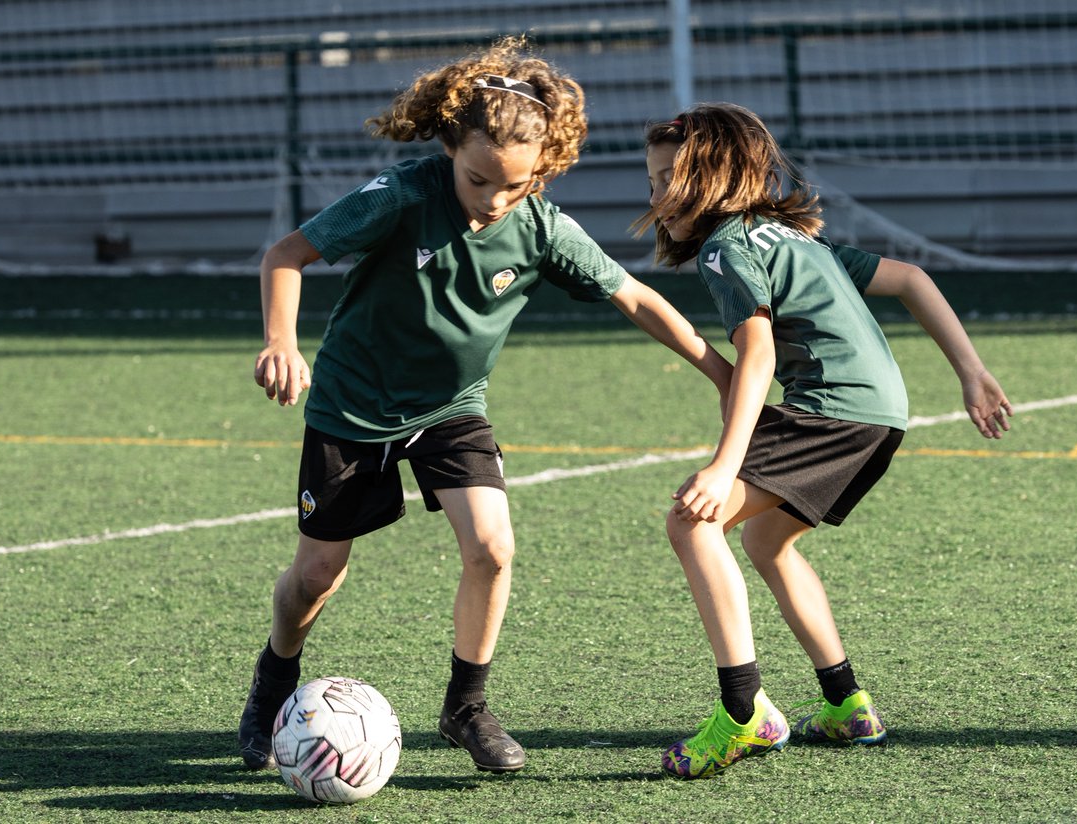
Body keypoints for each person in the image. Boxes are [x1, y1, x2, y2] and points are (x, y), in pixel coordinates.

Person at [238, 39, 731, 775]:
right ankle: (274, 679)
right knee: (317, 576)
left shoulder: (539, 224)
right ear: (448, 147)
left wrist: (720, 372)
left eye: (516, 186)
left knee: (493, 547)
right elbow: (286, 254)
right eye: (478, 181)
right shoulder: (403, 196)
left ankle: (465, 707)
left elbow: (634, 296)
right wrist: (282, 341)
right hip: (352, 405)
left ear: (542, 173)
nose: (494, 201)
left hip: (450, 408)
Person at [637, 103, 1013, 779]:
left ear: (715, 174)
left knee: (693, 521)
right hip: (881, 415)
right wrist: (971, 371)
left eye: (669, 175)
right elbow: (913, 279)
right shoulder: (794, 240)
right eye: (652, 179)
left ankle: (744, 713)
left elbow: (758, 356)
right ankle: (847, 704)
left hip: (833, 408)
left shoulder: (729, 248)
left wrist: (724, 468)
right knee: (766, 540)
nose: (657, 194)